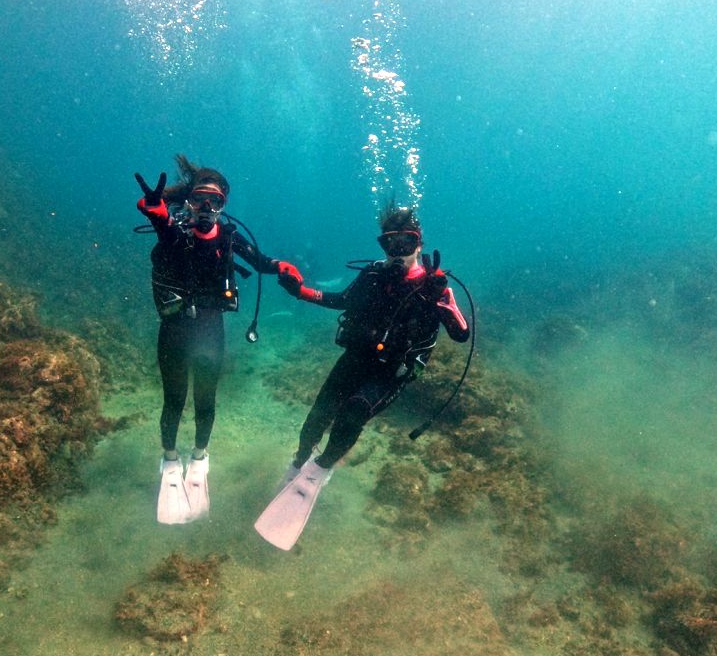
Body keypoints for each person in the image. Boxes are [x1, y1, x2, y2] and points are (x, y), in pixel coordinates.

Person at [254, 202, 470, 550]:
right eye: (389, 243)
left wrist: (440, 299)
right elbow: (341, 300)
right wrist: (300, 291)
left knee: (353, 412)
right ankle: (298, 460)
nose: (397, 252)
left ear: (419, 243)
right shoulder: (372, 275)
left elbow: (461, 334)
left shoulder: (435, 286)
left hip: (392, 371)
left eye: (406, 242)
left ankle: (321, 469)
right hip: (357, 357)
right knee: (317, 417)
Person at [135, 155, 285, 525]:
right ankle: (170, 460)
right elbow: (157, 218)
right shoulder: (176, 232)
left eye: (214, 201)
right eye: (199, 199)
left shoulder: (229, 238)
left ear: (223, 204)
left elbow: (262, 262)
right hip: (174, 328)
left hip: (210, 329)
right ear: (188, 201)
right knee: (174, 401)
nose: (205, 207)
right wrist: (156, 207)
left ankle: (200, 457)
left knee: (205, 401)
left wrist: (283, 268)